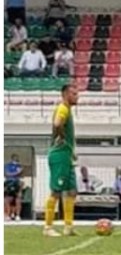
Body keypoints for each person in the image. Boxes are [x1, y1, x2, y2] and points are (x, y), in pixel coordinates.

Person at [44, 84, 79, 237]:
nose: (77, 96)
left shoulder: (68, 110)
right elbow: (57, 123)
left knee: (72, 191)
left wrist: (71, 152)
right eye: (73, 94)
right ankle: (48, 227)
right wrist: (63, 138)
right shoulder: (63, 108)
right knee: (56, 191)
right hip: (59, 155)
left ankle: (68, 226)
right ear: (65, 95)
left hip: (66, 155)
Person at [5, 155, 24, 221]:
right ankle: (8, 215)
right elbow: (7, 174)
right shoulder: (8, 165)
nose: (16, 159)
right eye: (15, 158)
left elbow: (21, 175)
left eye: (17, 158)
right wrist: (17, 172)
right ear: (12, 158)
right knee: (8, 200)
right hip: (9, 183)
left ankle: (17, 215)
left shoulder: (19, 166)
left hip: (17, 183)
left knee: (18, 200)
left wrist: (20, 172)